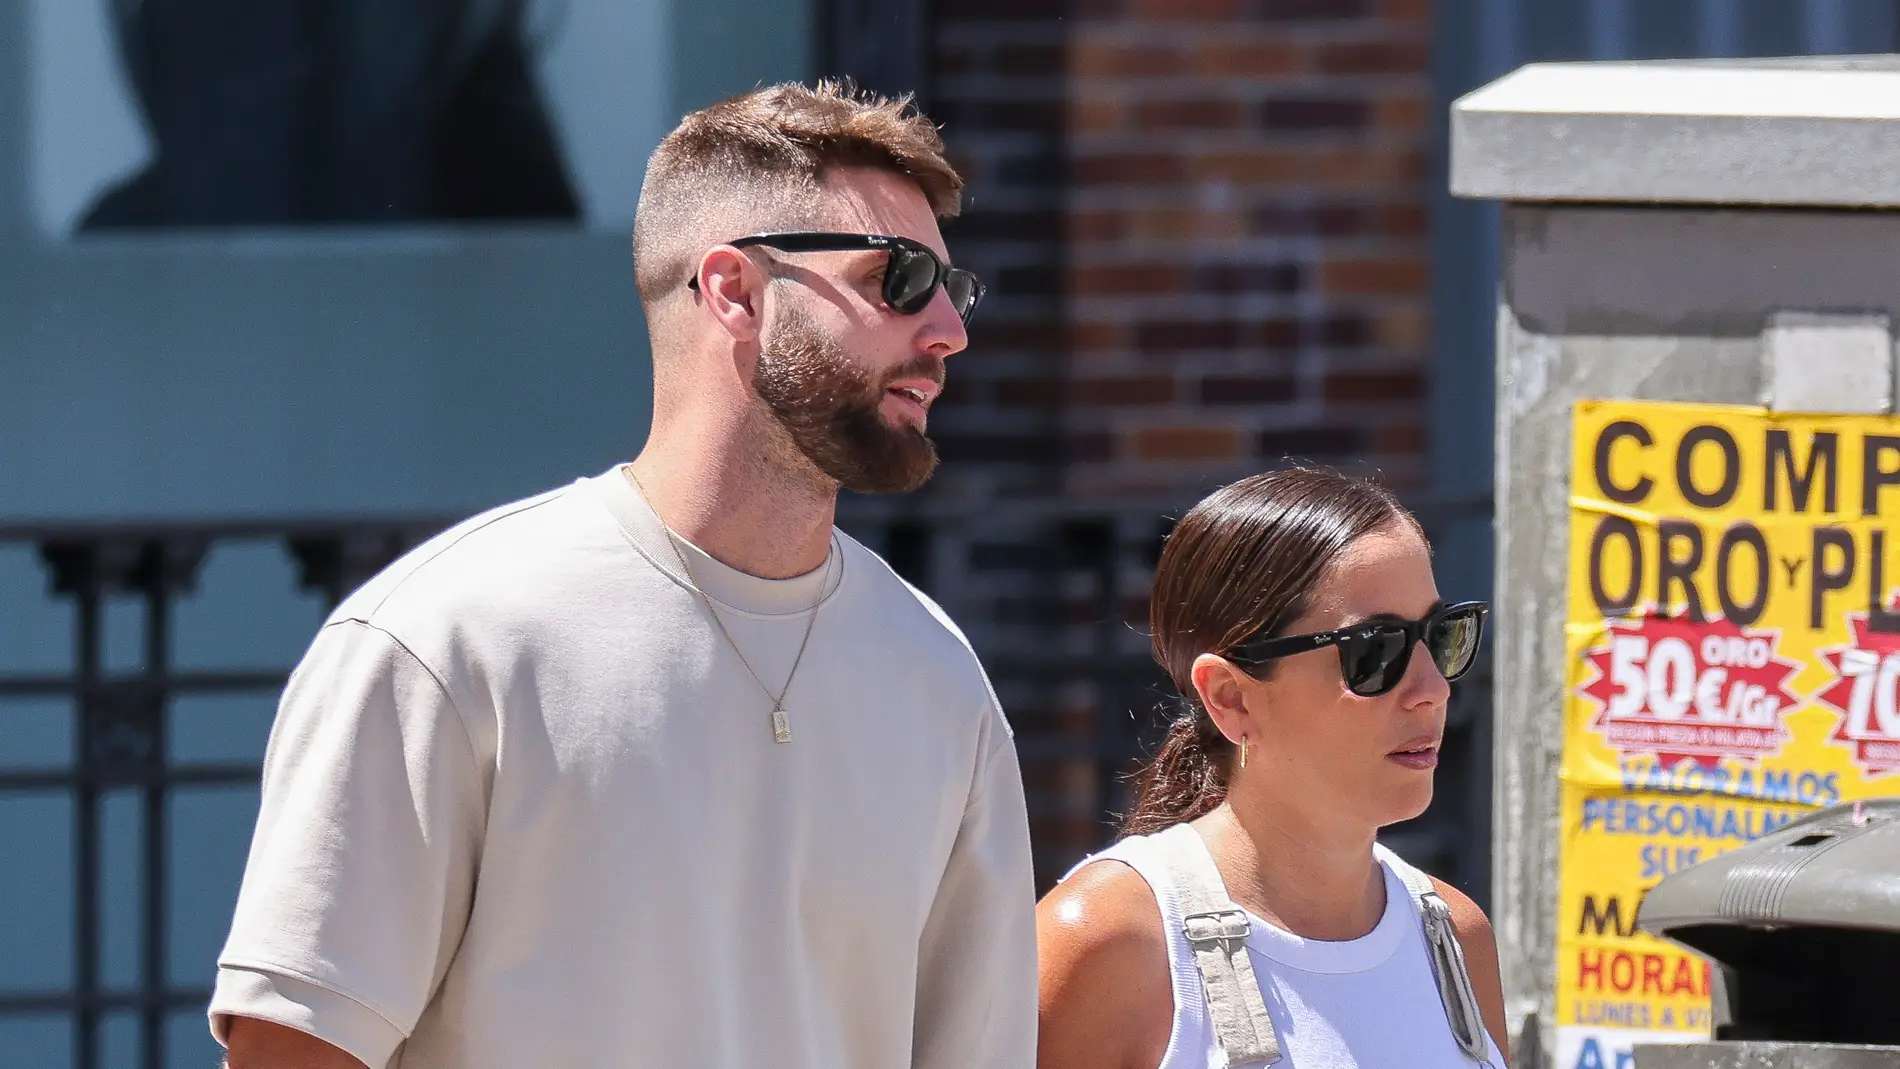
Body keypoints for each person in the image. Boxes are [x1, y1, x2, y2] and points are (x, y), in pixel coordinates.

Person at [211, 80, 1036, 1069]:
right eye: (898, 279)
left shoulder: (935, 677)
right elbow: (293, 1048)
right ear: (732, 289)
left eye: (954, 288)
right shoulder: (450, 639)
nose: (948, 331)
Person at [1035, 468, 1509, 1069]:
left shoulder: (1455, 938)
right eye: (1375, 649)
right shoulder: (1112, 939)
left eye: (1443, 636)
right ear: (1231, 697)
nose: (1431, 688)